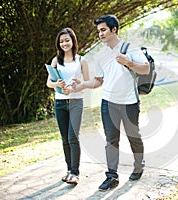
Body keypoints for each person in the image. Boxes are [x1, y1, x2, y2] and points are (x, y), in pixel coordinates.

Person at [71, 14, 150, 191]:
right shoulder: (101, 55)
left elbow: (146, 69)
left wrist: (128, 62)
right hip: (108, 103)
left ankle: (139, 165)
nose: (100, 34)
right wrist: (82, 84)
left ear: (114, 29)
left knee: (133, 136)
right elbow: (99, 81)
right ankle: (111, 176)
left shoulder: (130, 48)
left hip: (129, 102)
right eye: (98, 31)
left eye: (103, 30)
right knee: (111, 140)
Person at [46, 27, 90, 184]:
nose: (64, 43)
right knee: (65, 138)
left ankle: (75, 173)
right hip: (60, 103)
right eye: (61, 41)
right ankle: (69, 170)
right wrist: (56, 83)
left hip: (76, 102)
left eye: (67, 40)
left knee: (73, 137)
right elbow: (48, 83)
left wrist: (77, 85)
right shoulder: (56, 61)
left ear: (73, 41)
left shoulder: (81, 60)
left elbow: (87, 82)